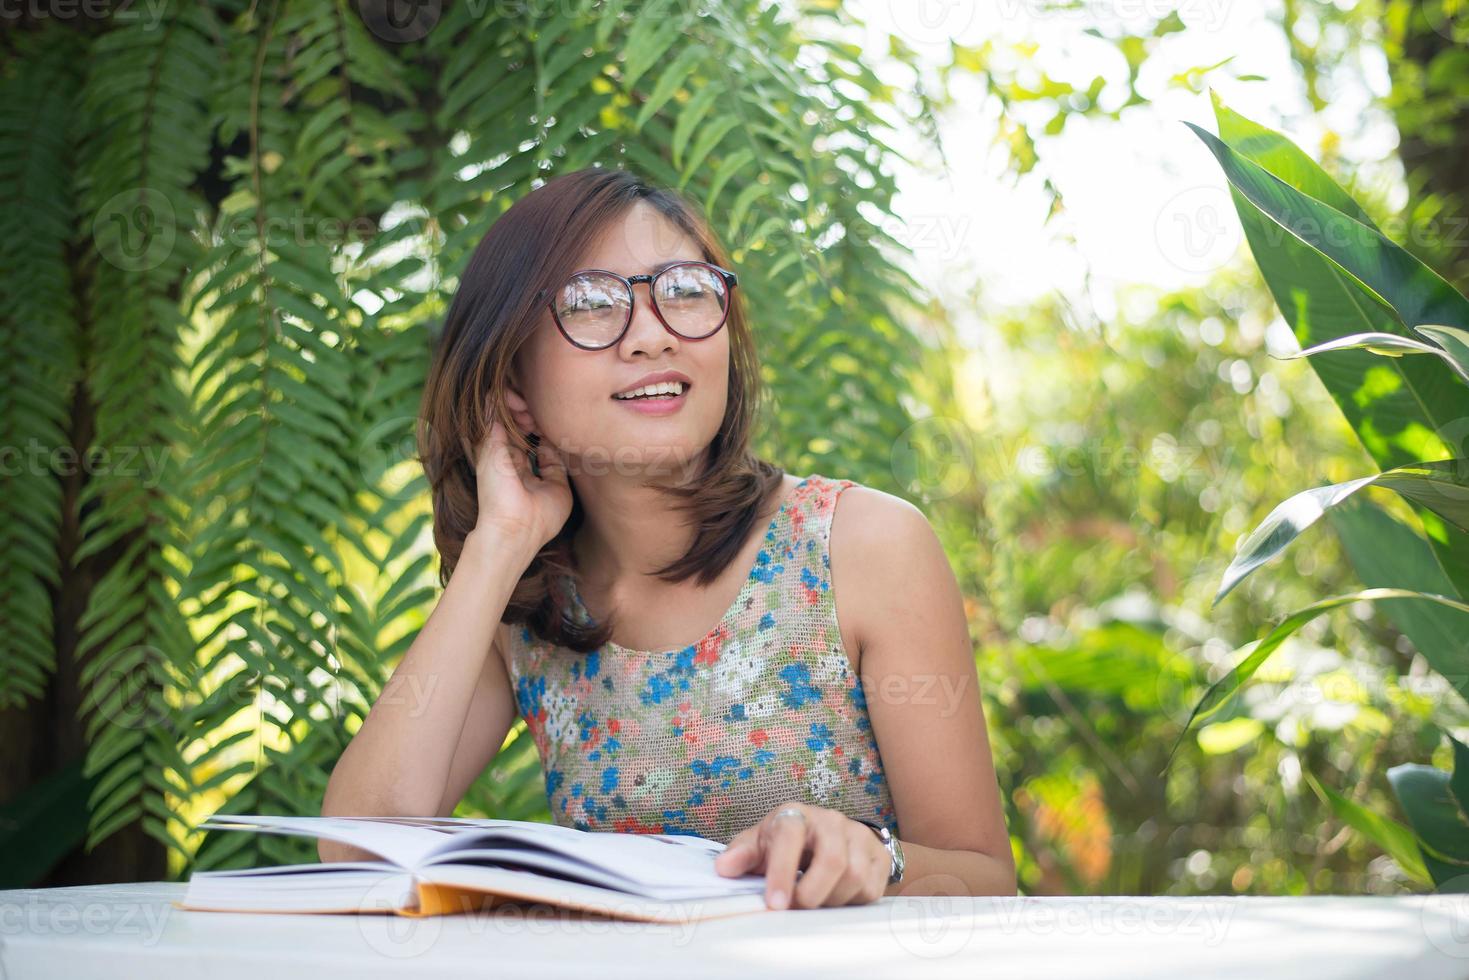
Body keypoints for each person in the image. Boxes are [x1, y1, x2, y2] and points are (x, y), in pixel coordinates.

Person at [321, 166, 1016, 908]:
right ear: (512, 386)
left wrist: (873, 859)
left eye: (685, 290)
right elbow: (361, 850)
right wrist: (498, 544)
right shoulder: (526, 606)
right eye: (591, 304)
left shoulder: (861, 545)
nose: (652, 336)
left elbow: (984, 878)